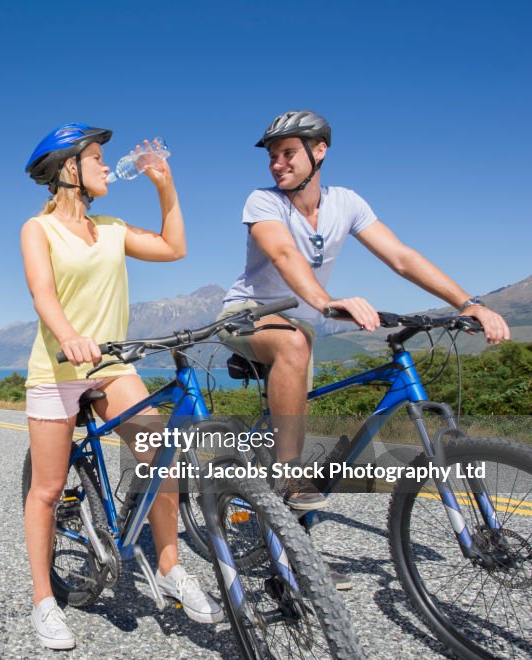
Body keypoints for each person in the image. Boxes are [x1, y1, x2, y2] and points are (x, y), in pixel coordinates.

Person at [218, 110, 511, 574]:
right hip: (247, 316)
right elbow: (283, 252)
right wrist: (325, 299)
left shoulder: (346, 203)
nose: (277, 164)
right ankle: (288, 481)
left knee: (297, 368)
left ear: (320, 152)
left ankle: (291, 533)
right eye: (273, 156)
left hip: (297, 324)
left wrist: (467, 302)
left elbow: (400, 255)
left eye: (288, 153)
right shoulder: (263, 202)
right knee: (295, 345)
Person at [21, 123, 222, 650]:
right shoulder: (37, 231)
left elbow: (174, 248)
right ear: (70, 169)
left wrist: (165, 185)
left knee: (159, 453)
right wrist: (69, 337)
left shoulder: (110, 227)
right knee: (46, 489)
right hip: (59, 368)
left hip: (111, 365)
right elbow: (43, 295)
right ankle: (43, 599)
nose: (109, 167)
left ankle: (171, 567)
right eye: (98, 158)